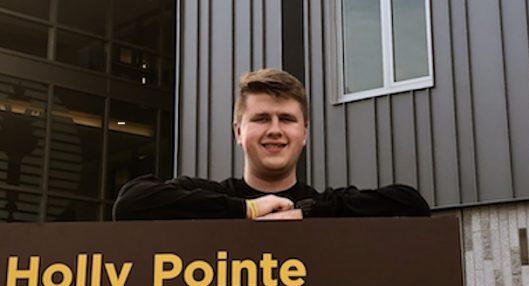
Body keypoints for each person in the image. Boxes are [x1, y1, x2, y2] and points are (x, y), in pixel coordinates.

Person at [112, 69, 430, 221]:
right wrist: (247, 209)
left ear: (304, 133)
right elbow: (130, 203)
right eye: (262, 118)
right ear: (239, 131)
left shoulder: (324, 205)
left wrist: (305, 214)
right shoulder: (211, 197)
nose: (275, 130)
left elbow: (412, 204)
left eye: (287, 120)